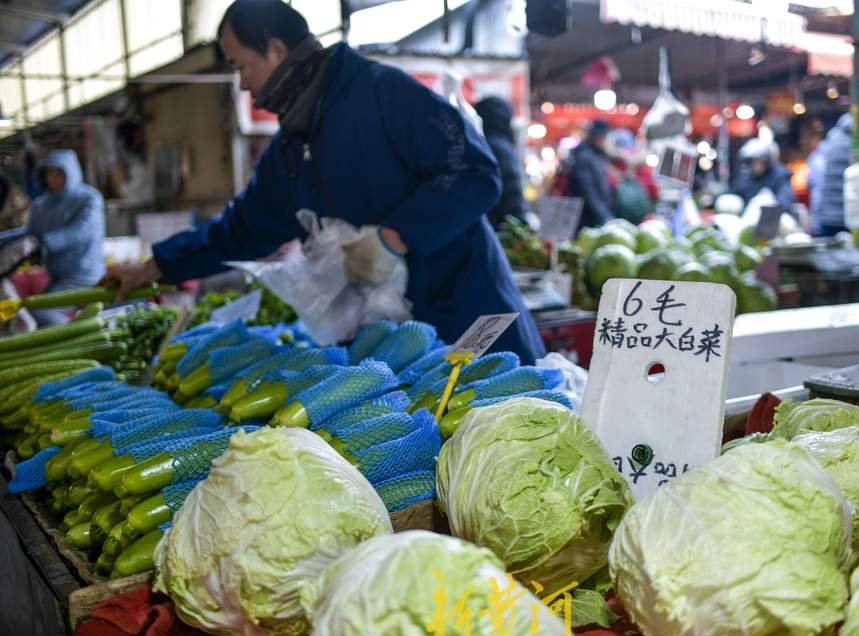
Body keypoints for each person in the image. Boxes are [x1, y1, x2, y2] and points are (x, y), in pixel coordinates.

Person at [103, 0, 544, 364]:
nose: (240, 85)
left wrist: (394, 237)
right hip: (393, 344)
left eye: (241, 67)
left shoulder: (382, 92)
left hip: (468, 318)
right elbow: (243, 229)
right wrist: (159, 265)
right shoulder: (292, 147)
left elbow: (476, 172)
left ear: (276, 49)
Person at [27, 150, 106, 325]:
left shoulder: (89, 198)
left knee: (42, 312)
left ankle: (83, 335)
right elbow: (30, 235)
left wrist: (46, 244)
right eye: (50, 173)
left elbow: (80, 231)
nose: (55, 179)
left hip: (83, 274)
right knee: (32, 312)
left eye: (60, 173)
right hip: (57, 274)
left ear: (72, 173)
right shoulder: (40, 205)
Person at [473, 96, 529, 228]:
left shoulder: (475, 144)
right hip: (499, 230)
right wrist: (521, 226)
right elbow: (512, 193)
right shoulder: (501, 148)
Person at [567, 119, 614, 229]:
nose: (602, 140)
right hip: (587, 219)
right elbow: (588, 192)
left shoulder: (596, 155)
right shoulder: (585, 157)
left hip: (594, 216)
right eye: (599, 136)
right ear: (591, 136)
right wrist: (605, 216)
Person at [729, 138, 795, 211]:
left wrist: (773, 204)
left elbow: (785, 196)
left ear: (767, 161)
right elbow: (733, 192)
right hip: (750, 218)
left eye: (761, 161)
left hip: (775, 216)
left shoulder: (778, 175)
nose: (757, 165)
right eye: (754, 162)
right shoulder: (747, 178)